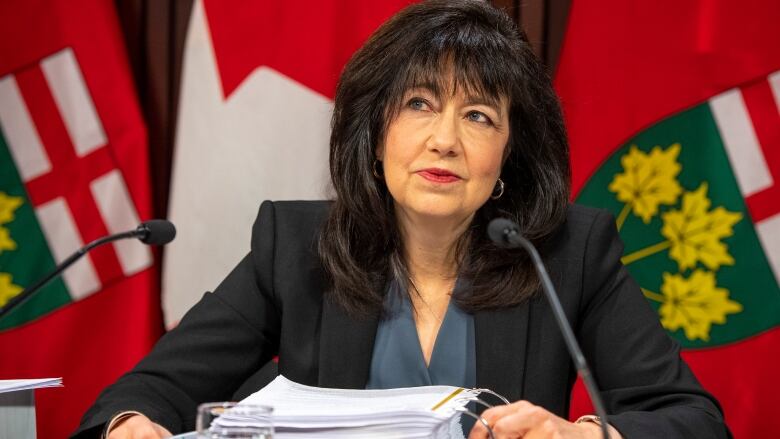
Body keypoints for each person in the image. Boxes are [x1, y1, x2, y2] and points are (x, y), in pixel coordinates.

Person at [74, 1, 729, 438]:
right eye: (419, 104)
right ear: (376, 133)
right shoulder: (296, 246)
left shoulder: (566, 252)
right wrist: (133, 421)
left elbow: (694, 418)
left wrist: (586, 432)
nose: (444, 139)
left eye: (478, 116)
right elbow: (150, 388)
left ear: (507, 157)